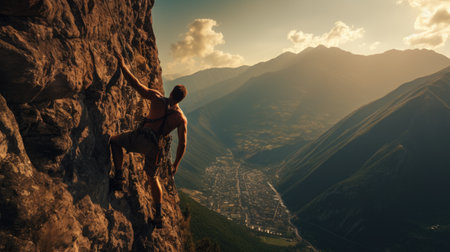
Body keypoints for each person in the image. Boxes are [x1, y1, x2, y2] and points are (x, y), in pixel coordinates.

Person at [110, 52, 188, 229]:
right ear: (181, 99)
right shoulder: (180, 118)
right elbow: (183, 143)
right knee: (153, 178)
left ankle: (119, 177)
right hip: (156, 148)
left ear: (171, 92)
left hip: (141, 138)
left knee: (115, 141)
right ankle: (158, 215)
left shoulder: (156, 98)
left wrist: (123, 66)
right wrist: (175, 164)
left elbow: (136, 85)